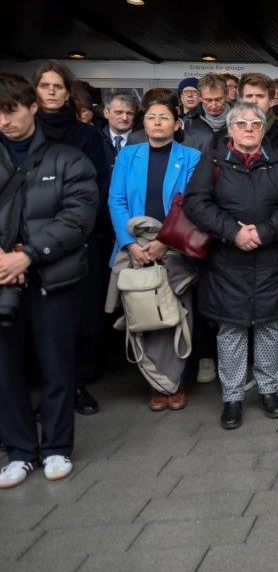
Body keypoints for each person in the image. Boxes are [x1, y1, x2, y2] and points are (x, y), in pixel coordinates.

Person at [0, 72, 98, 489]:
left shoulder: (67, 159)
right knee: (5, 369)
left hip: (53, 278)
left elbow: (78, 218)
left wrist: (27, 255)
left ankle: (56, 446)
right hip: (2, 277)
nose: (4, 121)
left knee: (56, 364)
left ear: (32, 107)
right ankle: (19, 451)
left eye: (11, 110)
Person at [184, 102, 278, 429]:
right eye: (241, 123)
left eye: (255, 123)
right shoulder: (212, 161)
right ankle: (233, 397)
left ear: (264, 129)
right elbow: (195, 202)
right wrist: (232, 232)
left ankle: (268, 391)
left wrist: (263, 232)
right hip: (227, 260)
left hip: (272, 260)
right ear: (230, 129)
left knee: (269, 327)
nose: (249, 129)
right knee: (231, 328)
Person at [106, 90, 203, 410]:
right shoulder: (128, 155)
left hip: (173, 246)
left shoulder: (191, 157)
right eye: (151, 117)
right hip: (134, 248)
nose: (157, 122)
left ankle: (175, 382)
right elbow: (116, 200)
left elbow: (190, 203)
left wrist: (165, 241)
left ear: (176, 123)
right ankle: (156, 385)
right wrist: (130, 243)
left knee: (175, 315)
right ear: (143, 123)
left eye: (164, 117)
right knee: (143, 313)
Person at [32, 61, 110, 418]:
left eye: (58, 86)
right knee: (35, 319)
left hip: (78, 236)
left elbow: (97, 188)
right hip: (29, 240)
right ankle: (42, 391)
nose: (51, 91)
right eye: (44, 85)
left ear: (68, 93)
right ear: (34, 92)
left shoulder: (86, 135)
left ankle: (76, 385)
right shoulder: (24, 133)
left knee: (77, 316)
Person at [239, 72, 278, 157]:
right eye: (249, 96)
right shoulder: (227, 133)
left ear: (271, 99)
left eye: (260, 96)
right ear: (241, 99)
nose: (254, 101)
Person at [183, 73, 230, 156]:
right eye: (208, 100)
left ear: (226, 95)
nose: (214, 105)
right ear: (200, 97)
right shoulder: (188, 121)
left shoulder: (240, 119)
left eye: (218, 99)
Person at [103, 93, 141, 164]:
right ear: (106, 113)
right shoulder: (97, 138)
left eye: (129, 113)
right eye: (119, 112)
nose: (124, 118)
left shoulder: (144, 140)